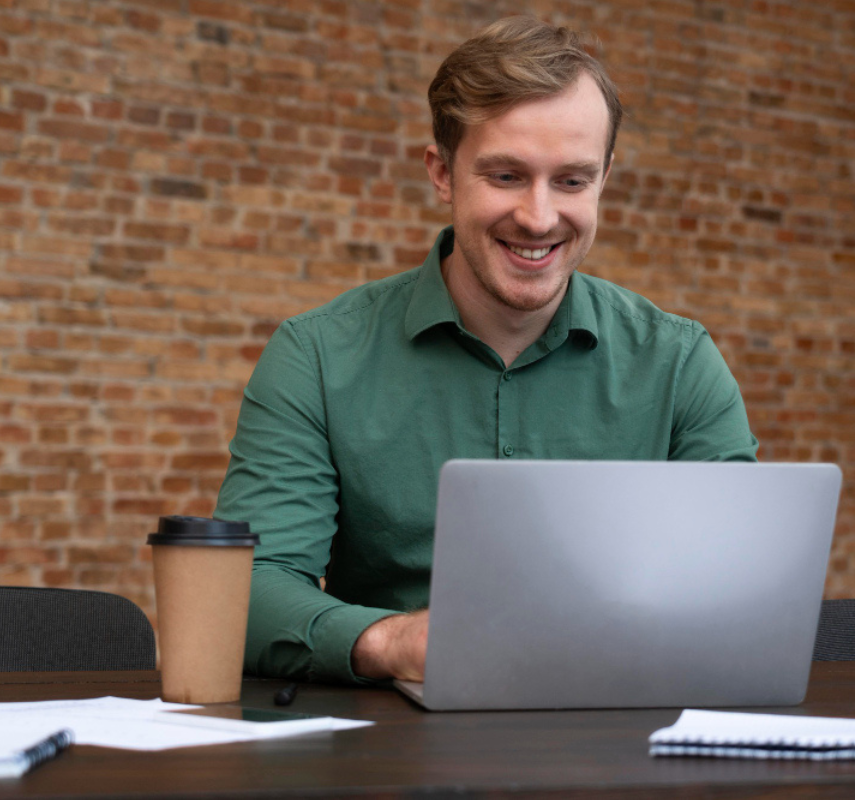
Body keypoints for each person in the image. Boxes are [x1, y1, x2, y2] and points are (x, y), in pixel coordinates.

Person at [214, 17, 758, 686]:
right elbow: (246, 590)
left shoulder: (680, 365)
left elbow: (739, 594)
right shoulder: (316, 357)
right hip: (391, 755)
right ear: (442, 173)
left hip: (621, 739)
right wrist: (393, 642)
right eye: (506, 175)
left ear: (605, 179)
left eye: (572, 181)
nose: (537, 216)